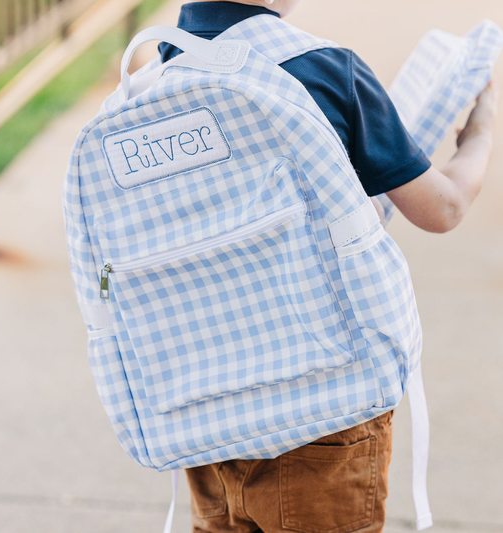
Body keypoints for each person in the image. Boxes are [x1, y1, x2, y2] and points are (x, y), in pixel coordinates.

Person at [157, 1, 498, 532]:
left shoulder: (159, 74)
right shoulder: (322, 70)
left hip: (209, 414)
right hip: (322, 414)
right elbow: (444, 207)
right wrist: (479, 132)